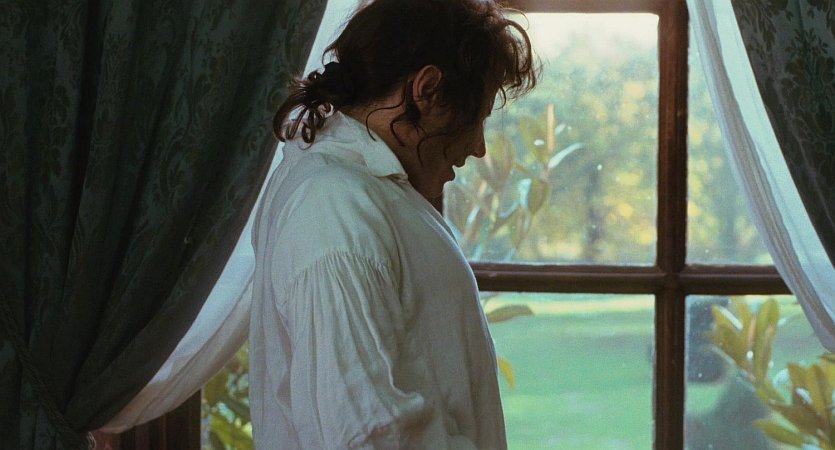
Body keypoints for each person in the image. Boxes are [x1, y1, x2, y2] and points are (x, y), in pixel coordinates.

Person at [249, 0, 537, 447]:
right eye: (476, 116)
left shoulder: (360, 192)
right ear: (427, 89)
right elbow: (369, 433)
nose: (479, 147)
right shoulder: (334, 207)